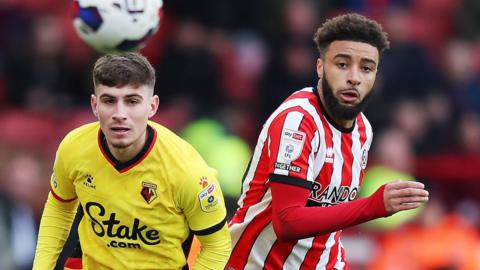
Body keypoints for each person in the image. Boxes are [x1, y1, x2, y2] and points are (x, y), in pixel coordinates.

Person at [225, 13, 429, 269]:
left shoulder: (363, 129)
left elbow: (330, 216)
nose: (354, 77)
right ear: (320, 67)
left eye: (366, 68)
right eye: (342, 64)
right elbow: (287, 222)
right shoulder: (298, 121)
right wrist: (374, 205)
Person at [32, 53, 232, 269]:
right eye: (109, 100)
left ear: (152, 106)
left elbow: (217, 246)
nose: (120, 114)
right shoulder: (74, 147)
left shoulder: (187, 171)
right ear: (94, 105)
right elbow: (59, 208)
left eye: (132, 101)